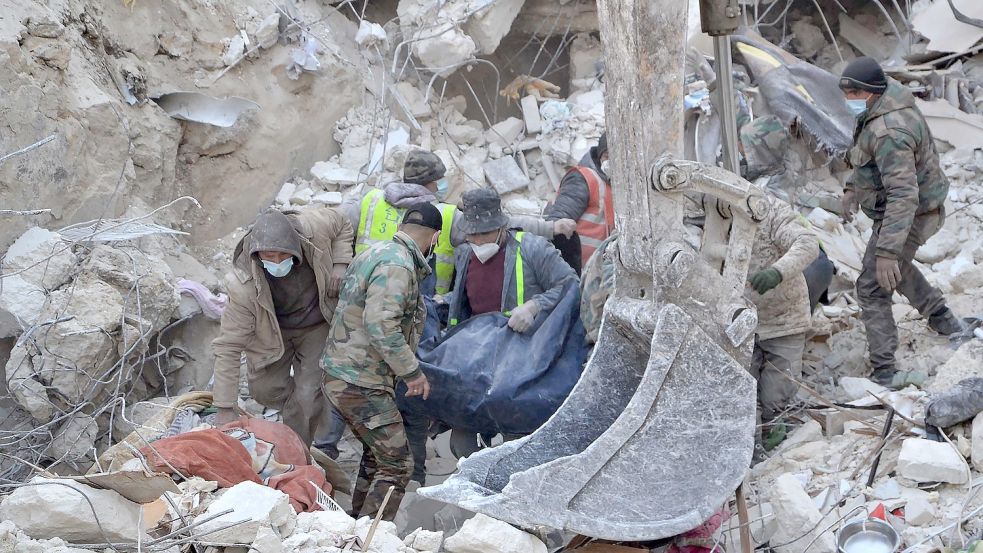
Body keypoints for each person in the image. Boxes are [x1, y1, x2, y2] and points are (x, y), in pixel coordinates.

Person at [839, 56, 965, 388]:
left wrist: (886, 251)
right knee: (897, 268)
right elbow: (865, 158)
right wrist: (852, 189)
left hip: (913, 213)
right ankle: (944, 319)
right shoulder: (881, 104)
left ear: (869, 92)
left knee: (872, 286)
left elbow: (903, 195)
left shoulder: (890, 131)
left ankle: (886, 372)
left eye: (853, 94)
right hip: (903, 209)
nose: (848, 101)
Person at [320, 203, 441, 521]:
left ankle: (358, 525)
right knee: (398, 464)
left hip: (344, 374)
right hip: (361, 381)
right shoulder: (399, 265)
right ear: (436, 238)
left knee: (377, 456)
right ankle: (373, 537)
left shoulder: (375, 253)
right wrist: (411, 371)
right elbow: (381, 324)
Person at [211, 207, 353, 448]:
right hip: (273, 329)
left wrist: (340, 263)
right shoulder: (242, 285)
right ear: (257, 255)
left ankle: (300, 450)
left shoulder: (314, 228)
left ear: (296, 249)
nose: (276, 262)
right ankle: (303, 410)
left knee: (308, 394)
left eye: (282, 255)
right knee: (264, 390)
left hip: (316, 324)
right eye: (269, 256)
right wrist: (224, 407)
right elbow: (229, 346)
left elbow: (343, 223)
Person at [340, 150, 574, 295]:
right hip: (421, 305)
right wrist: (551, 228)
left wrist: (338, 265)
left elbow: (335, 223)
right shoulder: (445, 215)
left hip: (362, 292)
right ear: (432, 182)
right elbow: (499, 223)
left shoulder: (370, 201)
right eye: (440, 181)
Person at [744, 196, 819, 449]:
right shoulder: (704, 214)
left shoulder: (768, 209)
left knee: (776, 394)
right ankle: (750, 448)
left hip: (784, 319)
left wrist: (778, 272)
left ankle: (772, 438)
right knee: (742, 394)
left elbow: (808, 243)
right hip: (739, 323)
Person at [447, 188, 578, 331]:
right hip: (478, 341)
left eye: (484, 233)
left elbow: (572, 286)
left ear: (502, 227)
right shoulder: (464, 254)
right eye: (472, 234)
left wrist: (534, 306)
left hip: (524, 343)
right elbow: (470, 298)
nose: (478, 241)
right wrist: (447, 299)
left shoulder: (533, 249)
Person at [543, 133, 614, 274]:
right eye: (607, 156)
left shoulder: (616, 184)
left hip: (601, 271)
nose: (611, 161)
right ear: (600, 157)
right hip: (579, 271)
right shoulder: (582, 179)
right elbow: (556, 224)